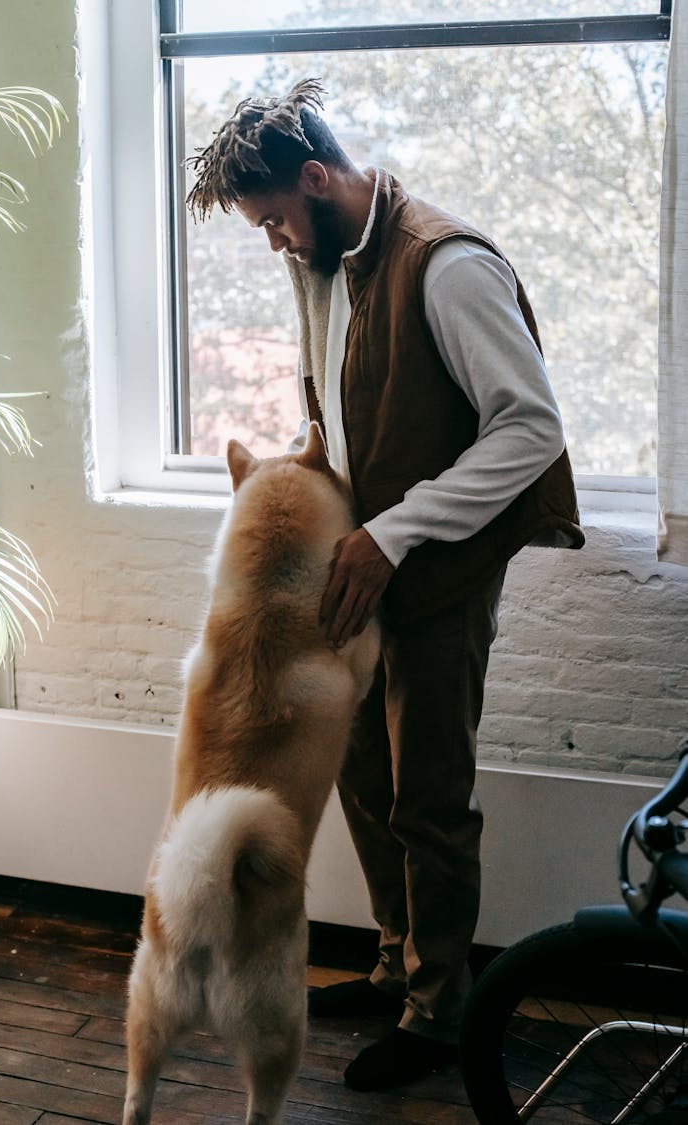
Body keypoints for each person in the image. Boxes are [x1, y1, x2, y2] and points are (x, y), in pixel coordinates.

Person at [186, 78, 584, 1092]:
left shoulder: (446, 268)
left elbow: (531, 430)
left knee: (430, 799)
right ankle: (394, 967)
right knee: (364, 778)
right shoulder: (321, 262)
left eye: (275, 218)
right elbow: (354, 411)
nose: (273, 241)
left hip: (436, 572)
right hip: (358, 572)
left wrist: (395, 533)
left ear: (317, 181)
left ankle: (441, 1014)